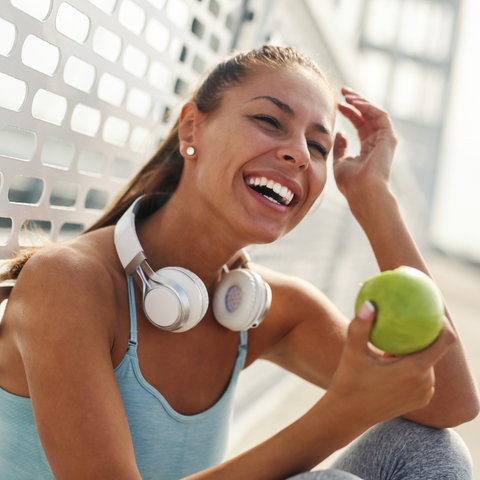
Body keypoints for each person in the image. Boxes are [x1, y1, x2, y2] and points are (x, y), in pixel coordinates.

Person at [0, 45, 478, 480]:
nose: (297, 154)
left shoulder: (267, 310)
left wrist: (373, 198)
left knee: (431, 448)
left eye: (318, 147)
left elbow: (450, 402)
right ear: (192, 128)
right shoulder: (67, 283)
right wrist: (342, 414)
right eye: (270, 121)